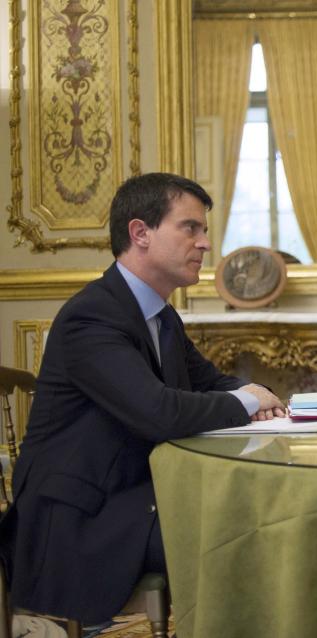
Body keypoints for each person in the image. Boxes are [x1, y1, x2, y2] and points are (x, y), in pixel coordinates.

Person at [0, 173, 287, 624]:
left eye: (204, 231)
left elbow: (210, 382)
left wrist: (262, 397)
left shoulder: (161, 315)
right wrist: (249, 400)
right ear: (140, 234)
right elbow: (159, 412)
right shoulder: (90, 316)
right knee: (241, 533)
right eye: (190, 228)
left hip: (133, 495)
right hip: (80, 520)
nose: (205, 244)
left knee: (259, 519)